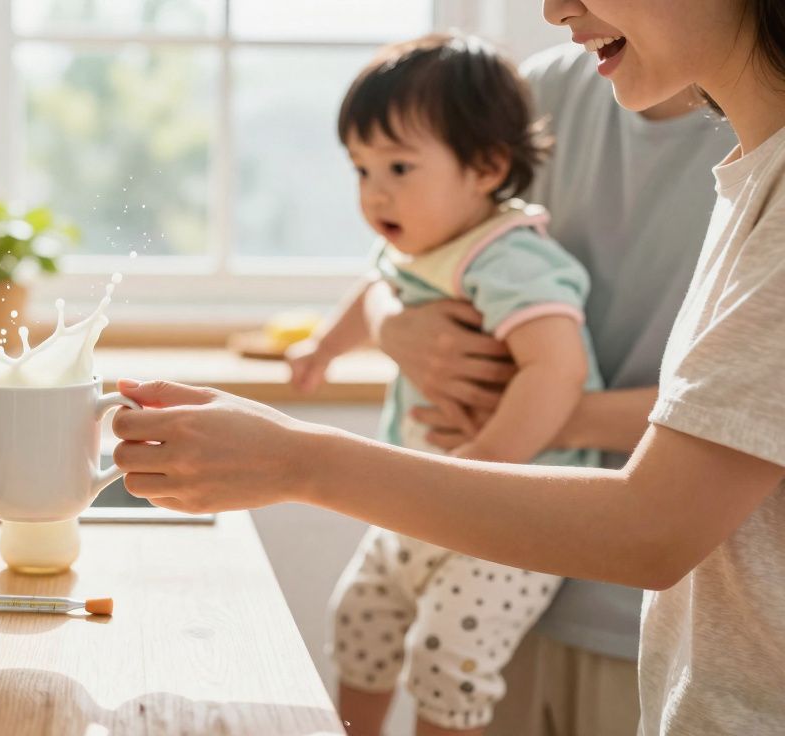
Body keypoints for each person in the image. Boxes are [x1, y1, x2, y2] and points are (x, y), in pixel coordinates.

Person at [110, 1, 785, 733]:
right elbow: (412, 271)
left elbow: (654, 527)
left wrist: (298, 461)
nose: (554, 8)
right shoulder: (744, 172)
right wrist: (389, 330)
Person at [356, 41, 737, 736]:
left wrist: (544, 416)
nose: (553, 8)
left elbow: (753, 407)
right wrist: (393, 327)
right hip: (497, 570)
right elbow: (416, 255)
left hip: (664, 622)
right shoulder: (548, 87)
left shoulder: (762, 141)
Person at [285, 33, 602, 736]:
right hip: (426, 496)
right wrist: (323, 350)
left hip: (513, 516)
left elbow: (559, 369)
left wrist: (487, 463)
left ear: (487, 167)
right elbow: (374, 285)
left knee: (446, 658)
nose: (375, 193)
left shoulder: (511, 257)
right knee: (359, 618)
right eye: (361, 170)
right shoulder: (419, 245)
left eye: (398, 166)